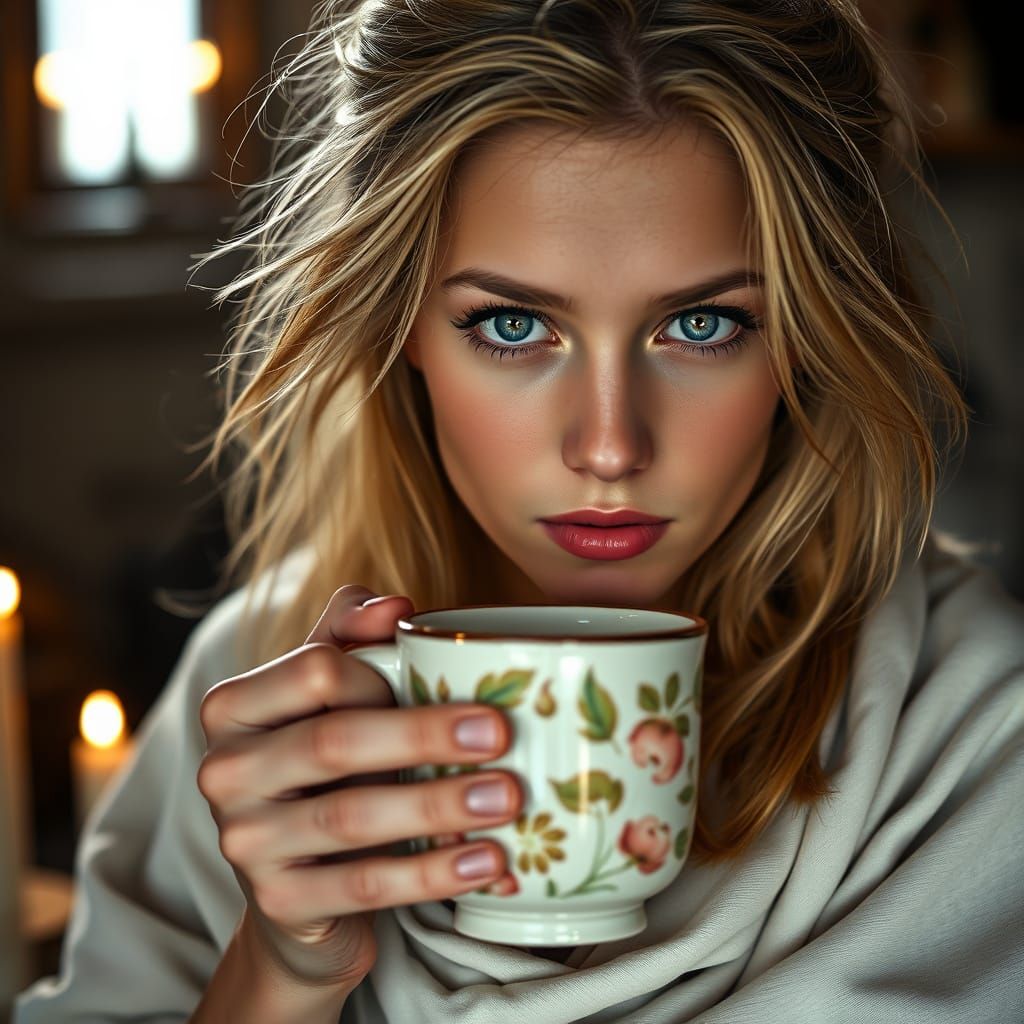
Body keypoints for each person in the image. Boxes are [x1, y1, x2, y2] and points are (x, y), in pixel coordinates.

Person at [15, 0, 1024, 1021]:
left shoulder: (980, 735)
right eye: (511, 323)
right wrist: (278, 972)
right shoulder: (265, 684)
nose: (607, 445)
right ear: (400, 322)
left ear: (811, 334)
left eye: (703, 322)